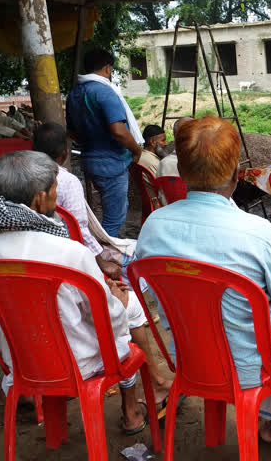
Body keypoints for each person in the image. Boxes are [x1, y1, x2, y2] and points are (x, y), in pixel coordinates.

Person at [135, 116, 271, 443]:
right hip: (253, 367)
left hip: (188, 358)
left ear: (182, 172)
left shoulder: (152, 227)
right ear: (235, 174)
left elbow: (152, 293)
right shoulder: (257, 233)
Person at [0, 151, 150, 433]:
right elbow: (107, 318)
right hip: (76, 362)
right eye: (54, 189)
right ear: (40, 197)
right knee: (130, 307)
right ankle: (132, 409)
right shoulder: (69, 252)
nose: (56, 196)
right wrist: (116, 299)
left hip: (17, 358)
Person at [31, 124, 175, 405]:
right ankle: (137, 400)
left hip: (29, 346)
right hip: (75, 323)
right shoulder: (66, 190)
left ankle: (151, 384)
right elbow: (80, 233)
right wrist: (102, 268)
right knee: (128, 300)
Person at [66, 48, 143, 237]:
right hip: (111, 162)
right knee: (114, 218)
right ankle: (107, 258)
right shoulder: (105, 92)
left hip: (89, 159)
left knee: (109, 211)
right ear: (107, 68)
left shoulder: (74, 94)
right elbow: (119, 131)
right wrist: (136, 150)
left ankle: (105, 248)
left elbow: (72, 132)